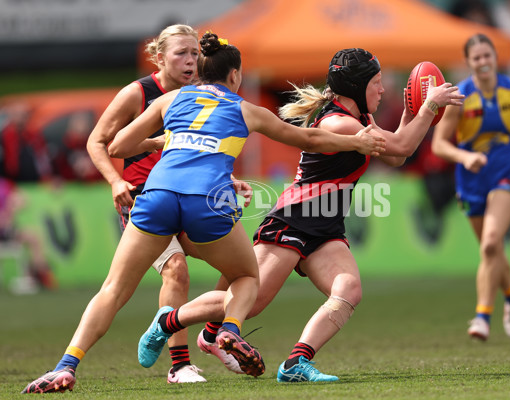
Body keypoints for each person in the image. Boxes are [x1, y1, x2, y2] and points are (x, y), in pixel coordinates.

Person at [21, 32, 385, 394]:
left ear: (201, 69)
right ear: (235, 76)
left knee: (113, 289)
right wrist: (357, 142)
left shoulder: (172, 99)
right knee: (245, 275)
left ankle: (65, 366)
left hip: (157, 196)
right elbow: (309, 140)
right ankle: (228, 330)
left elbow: (118, 145)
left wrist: (166, 140)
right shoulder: (246, 109)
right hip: (205, 201)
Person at [160, 46, 462, 383]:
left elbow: (395, 156)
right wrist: (430, 105)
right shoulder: (340, 122)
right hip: (294, 219)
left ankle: (295, 364)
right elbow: (402, 147)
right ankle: (167, 323)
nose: (382, 89)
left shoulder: (361, 119)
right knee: (253, 301)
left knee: (348, 290)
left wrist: (412, 111)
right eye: (376, 82)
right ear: (356, 88)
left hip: (326, 227)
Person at [85, 24, 210, 383]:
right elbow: (98, 142)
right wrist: (115, 180)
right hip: (146, 201)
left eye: (195, 53)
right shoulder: (137, 93)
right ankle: (179, 365)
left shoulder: (200, 93)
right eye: (181, 53)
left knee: (245, 266)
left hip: (188, 197)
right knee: (176, 270)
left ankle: (215, 336)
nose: (191, 61)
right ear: (158, 57)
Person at [432, 33, 510, 341]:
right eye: (476, 58)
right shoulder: (460, 97)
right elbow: (439, 144)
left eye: (487, 56)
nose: (483, 62)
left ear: (496, 58)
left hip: (507, 173)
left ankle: (483, 316)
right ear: (468, 63)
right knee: (492, 250)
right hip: (471, 179)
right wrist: (464, 156)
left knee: (490, 243)